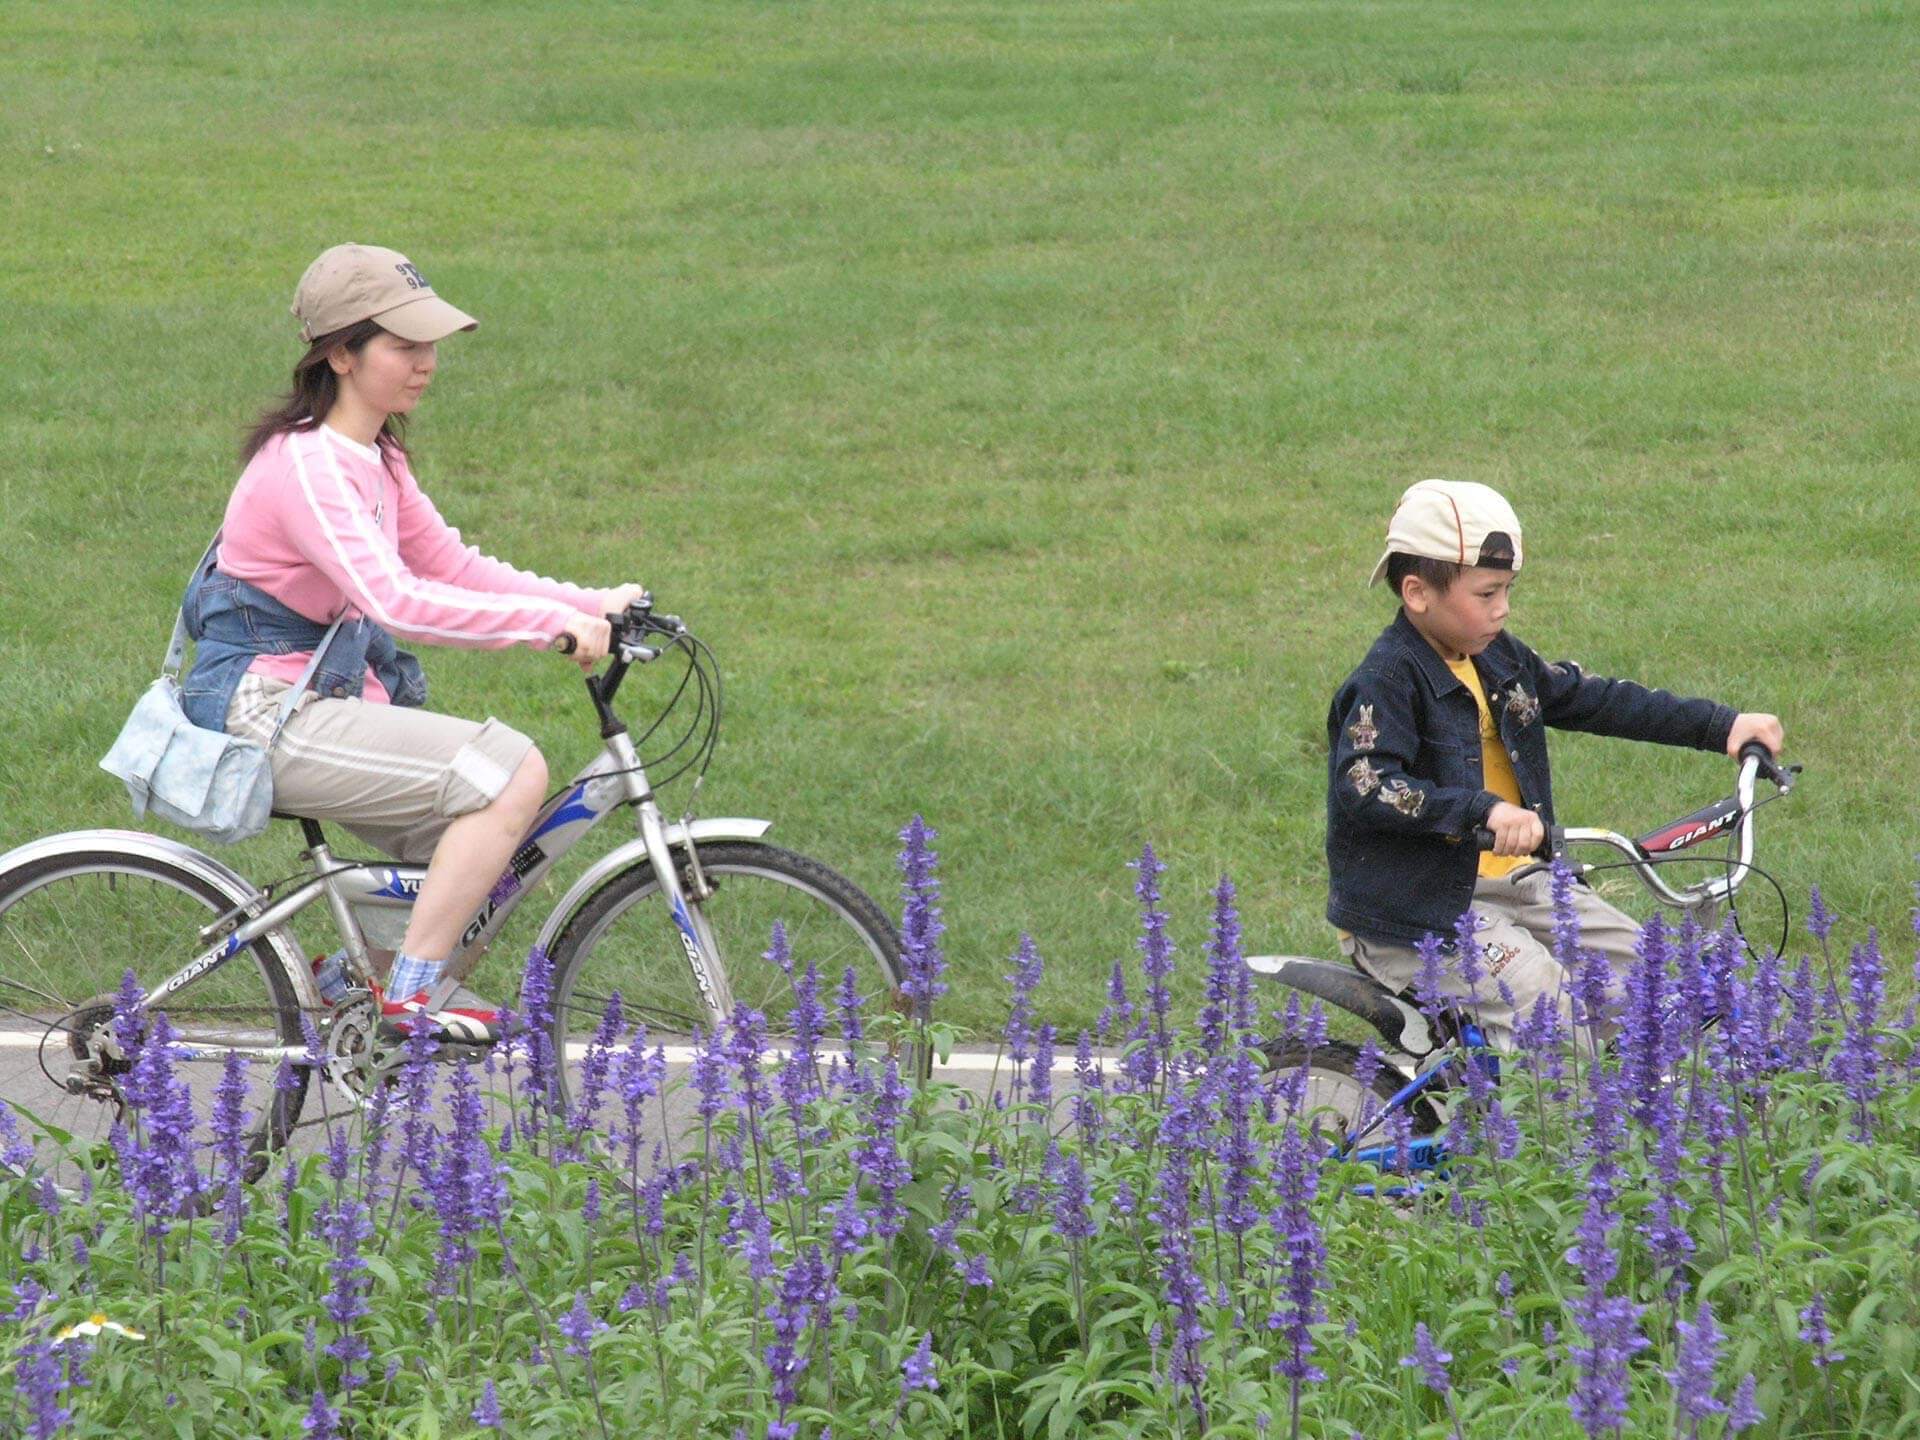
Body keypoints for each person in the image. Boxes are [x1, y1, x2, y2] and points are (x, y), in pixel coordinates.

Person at [180, 243, 642, 1045]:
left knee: (500, 841)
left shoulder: (376, 451)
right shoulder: (309, 467)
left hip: (320, 700)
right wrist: (546, 628)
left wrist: (589, 600)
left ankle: (346, 979)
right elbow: (395, 600)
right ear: (340, 355)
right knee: (510, 772)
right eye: (404, 345)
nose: (426, 363)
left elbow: (452, 564)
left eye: (430, 344)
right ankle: (411, 996)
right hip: (265, 709)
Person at [1324, 478, 1783, 1053]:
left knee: (1651, 980)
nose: (1504, 608)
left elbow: (1592, 698)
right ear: (1417, 593)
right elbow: (1366, 784)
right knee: (1554, 1013)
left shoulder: (1497, 658)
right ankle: (1561, 1137)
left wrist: (1720, 727)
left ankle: (1636, 1113)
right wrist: (1480, 809)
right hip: (1419, 914)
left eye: (1507, 590)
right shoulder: (1387, 681)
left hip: (1516, 883)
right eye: (1487, 594)